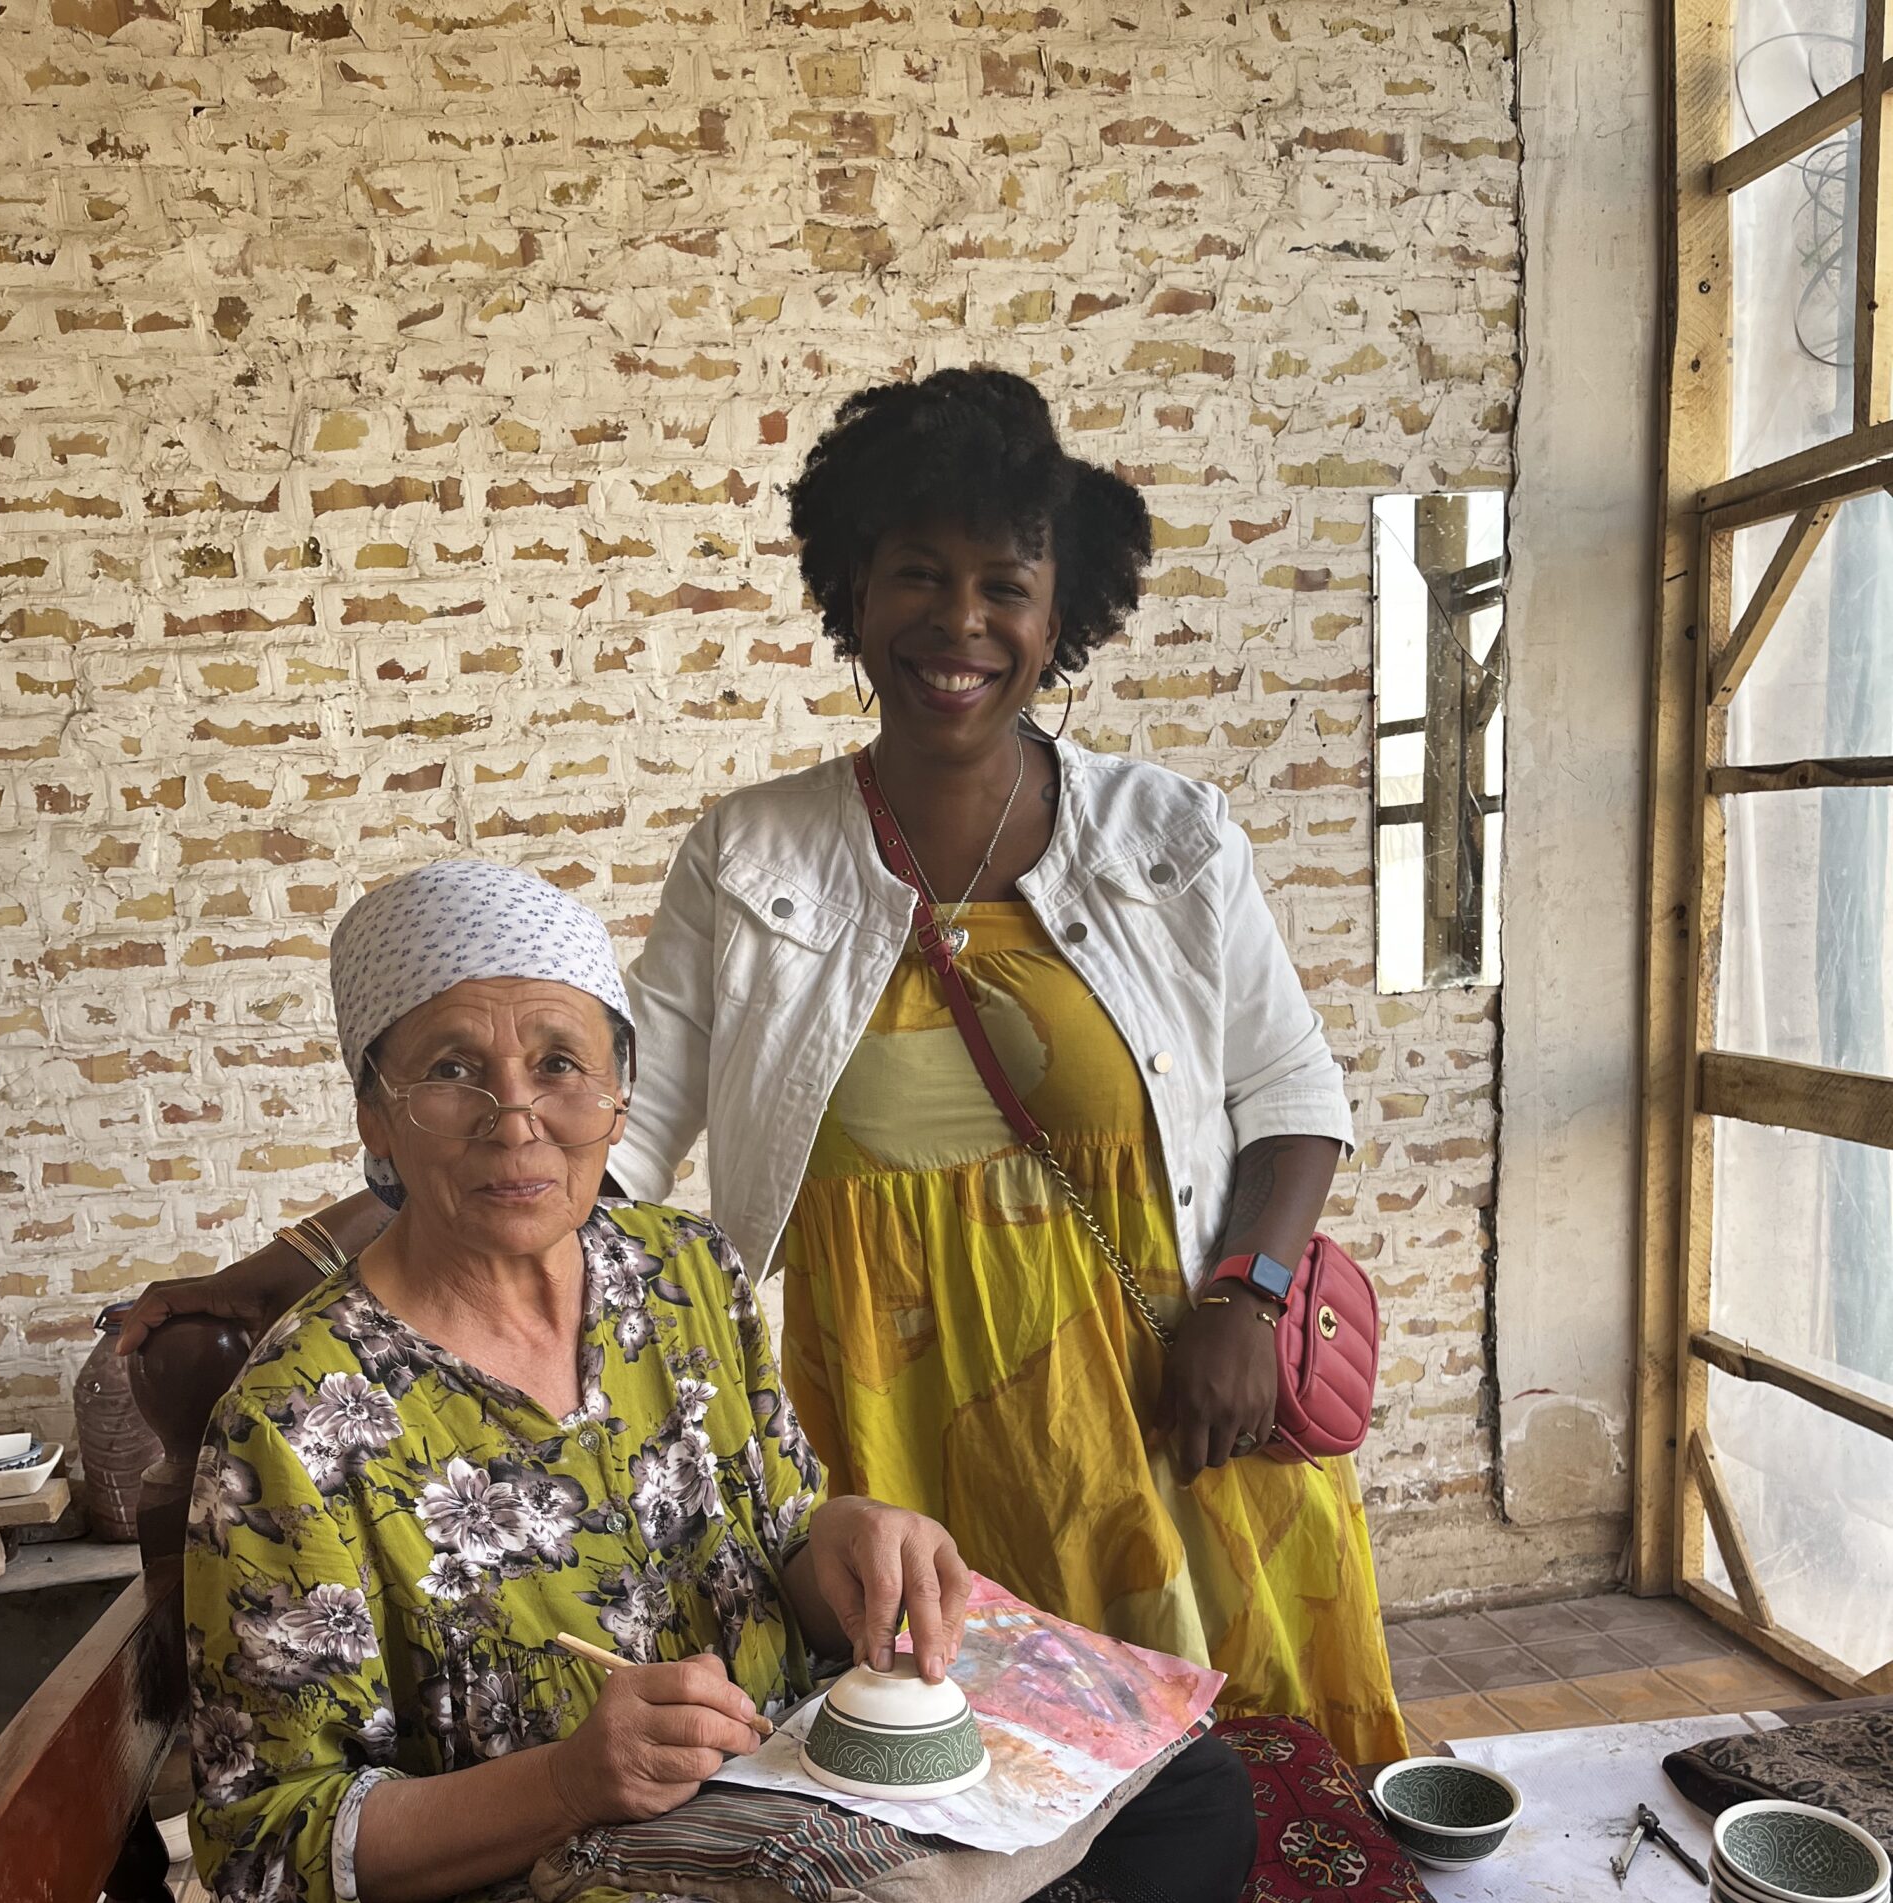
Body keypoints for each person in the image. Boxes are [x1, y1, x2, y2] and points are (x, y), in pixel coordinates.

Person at [128, 367, 1402, 1768]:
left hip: (1176, 1397)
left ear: (1063, 610)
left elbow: (1292, 1103)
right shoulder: (751, 860)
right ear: (853, 590)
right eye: (919, 574)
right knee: (960, 1781)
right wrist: (284, 1266)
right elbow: (579, 1140)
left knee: (1246, 1778)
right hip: (898, 1416)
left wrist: (1249, 1293)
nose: (961, 623)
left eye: (1006, 584)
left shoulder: (1173, 837)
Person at [183, 861, 1384, 1903]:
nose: (517, 1116)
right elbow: (267, 1854)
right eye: (451, 1070)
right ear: (374, 1112)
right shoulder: (292, 1428)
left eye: (562, 1061)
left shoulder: (683, 1276)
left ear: (620, 1089)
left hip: (798, 1814)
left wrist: (857, 1543)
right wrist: (572, 1779)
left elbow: (778, 1539)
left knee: (1185, 1783)